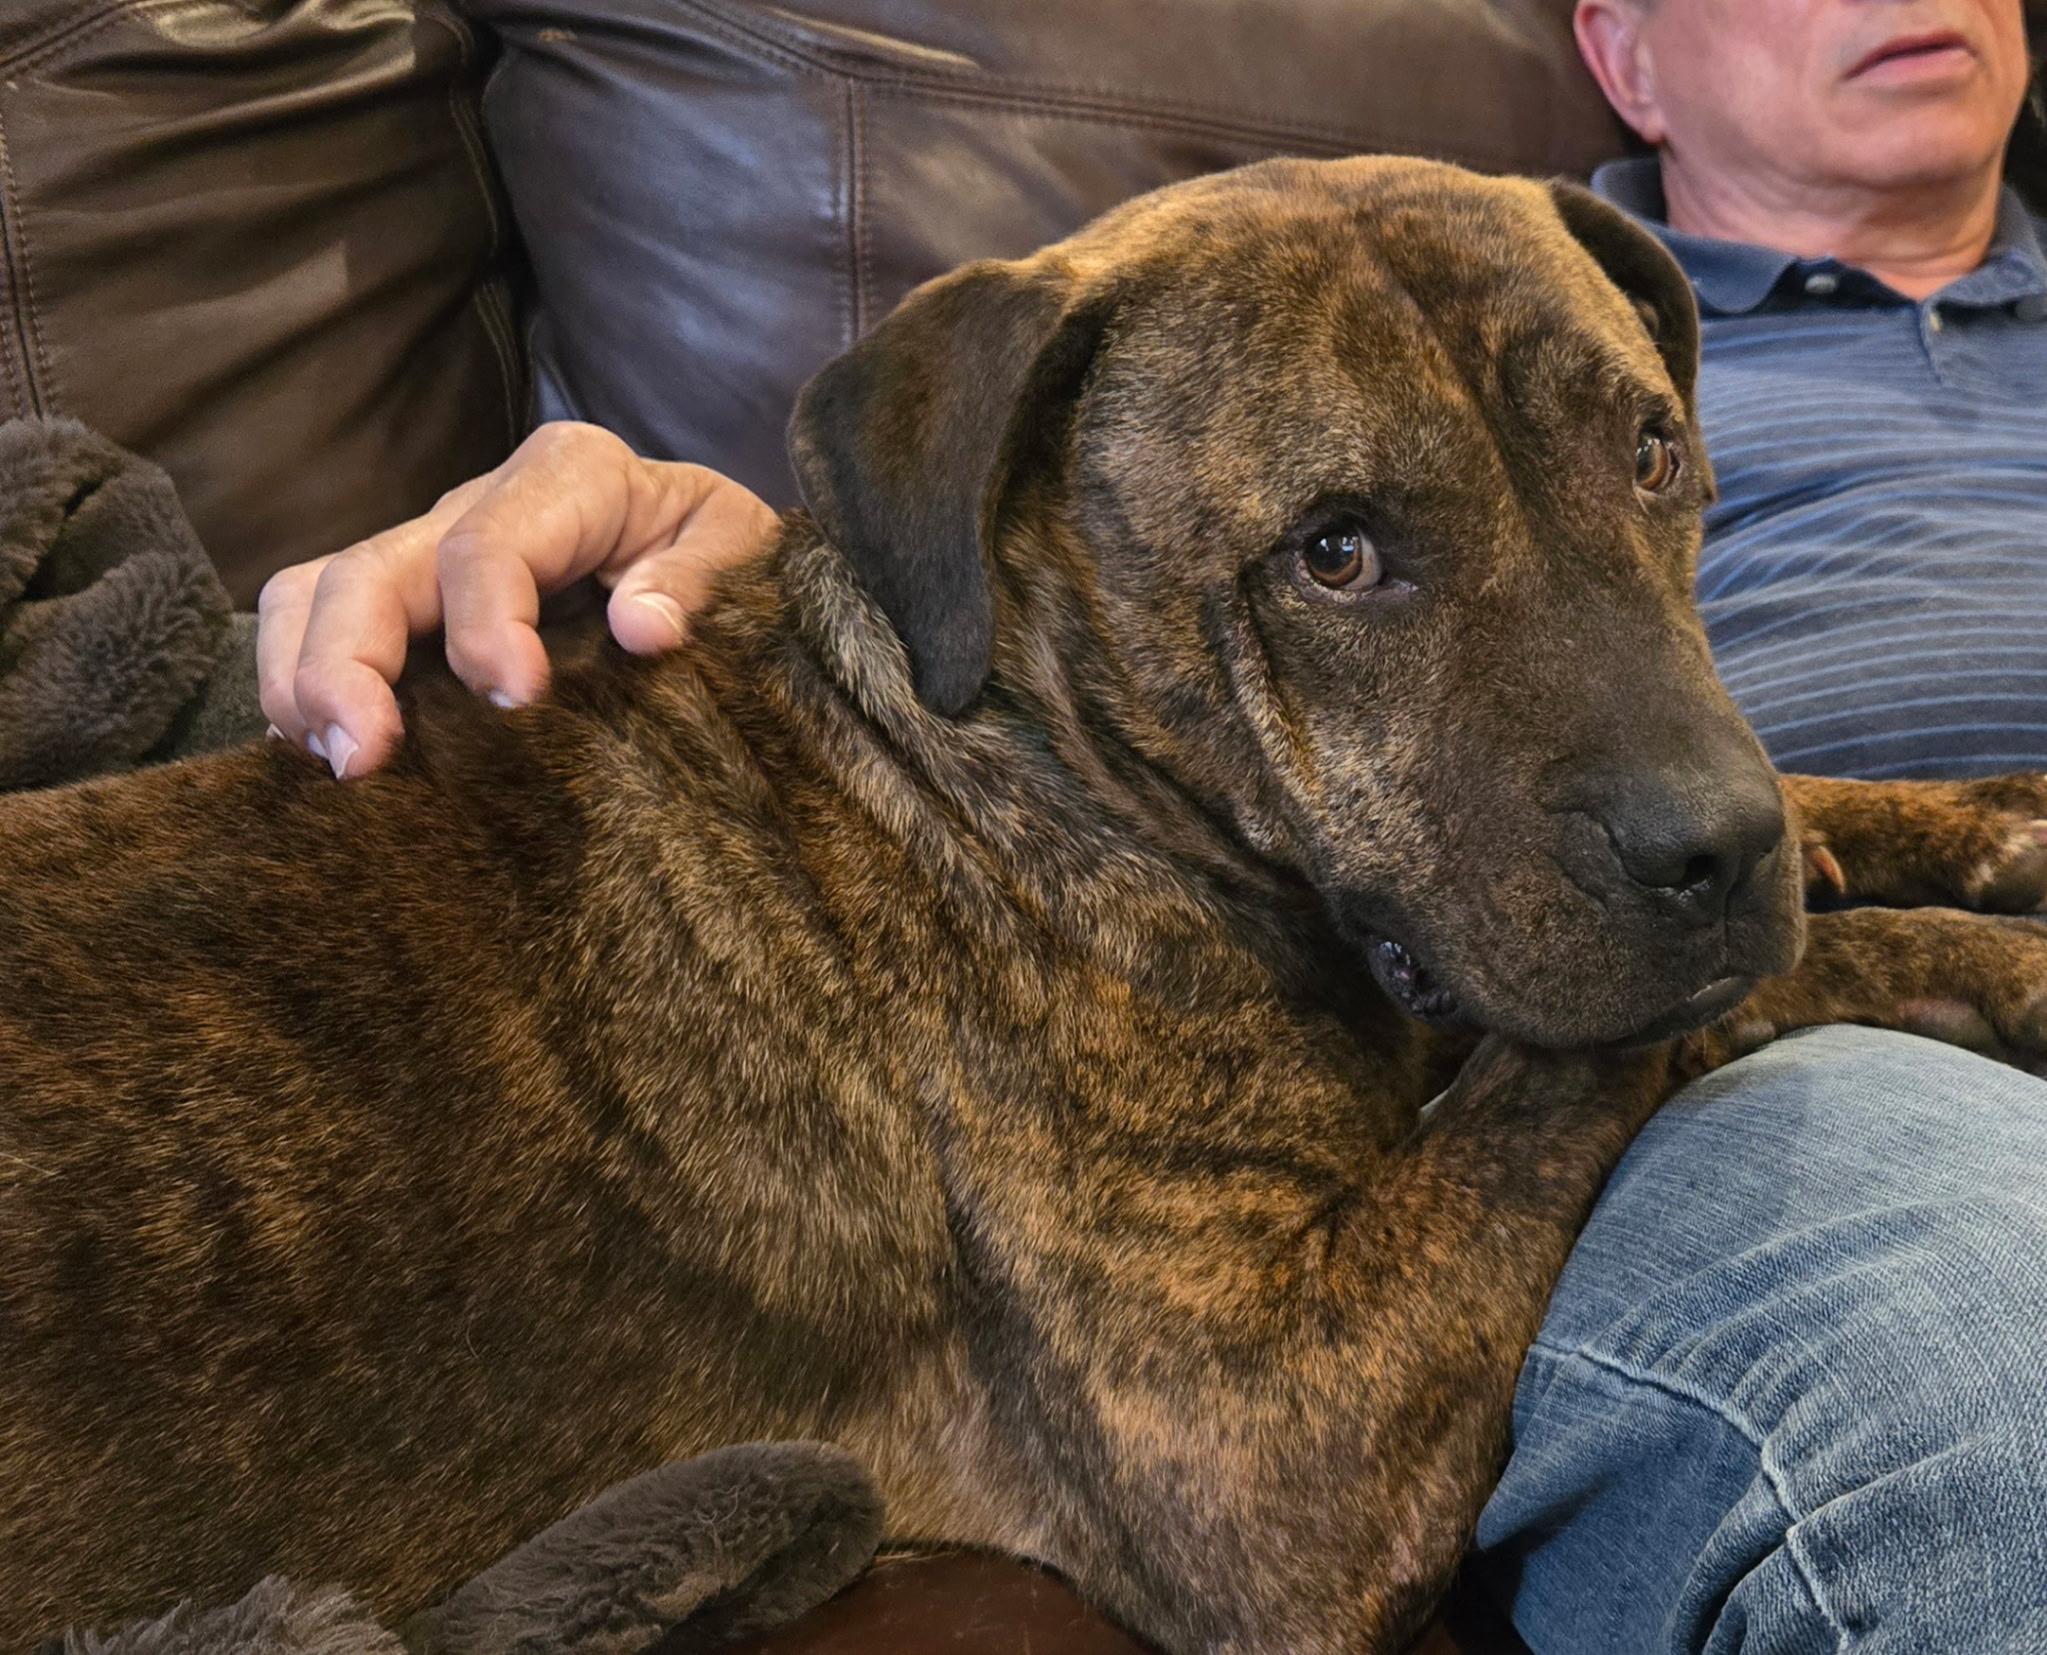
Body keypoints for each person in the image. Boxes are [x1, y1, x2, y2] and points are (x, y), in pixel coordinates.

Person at [253, 1, 2047, 1647]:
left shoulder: (1533, 304)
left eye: (1651, 465)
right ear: (1624, 59)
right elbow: (1277, 1548)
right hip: (1868, 1157)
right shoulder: (1033, 814)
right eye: (1342, 554)